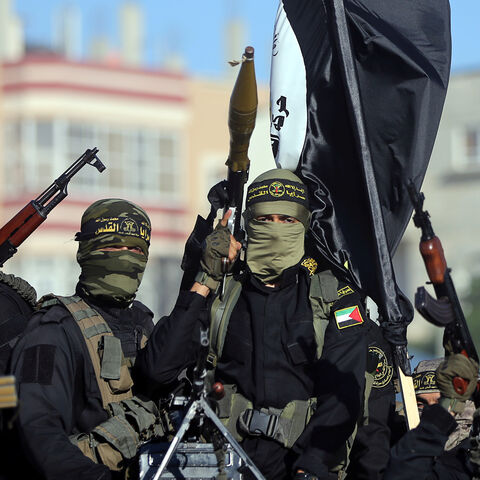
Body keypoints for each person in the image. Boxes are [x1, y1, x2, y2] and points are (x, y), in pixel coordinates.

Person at [135, 169, 370, 480]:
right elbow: (157, 370)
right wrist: (205, 278)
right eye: (264, 219)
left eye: (287, 220)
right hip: (225, 463)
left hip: (302, 466)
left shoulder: (335, 297)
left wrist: (309, 466)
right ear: (247, 224)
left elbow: (344, 395)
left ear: (304, 225)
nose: (275, 229)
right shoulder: (223, 291)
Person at [10, 198, 164, 480]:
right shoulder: (52, 330)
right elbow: (38, 431)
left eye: (135, 249)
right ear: (85, 250)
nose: (125, 255)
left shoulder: (143, 325)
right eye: (112, 246)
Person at [384, 353, 479, 479]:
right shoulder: (389, 445)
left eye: (443, 404)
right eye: (421, 404)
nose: (434, 414)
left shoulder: (471, 462)